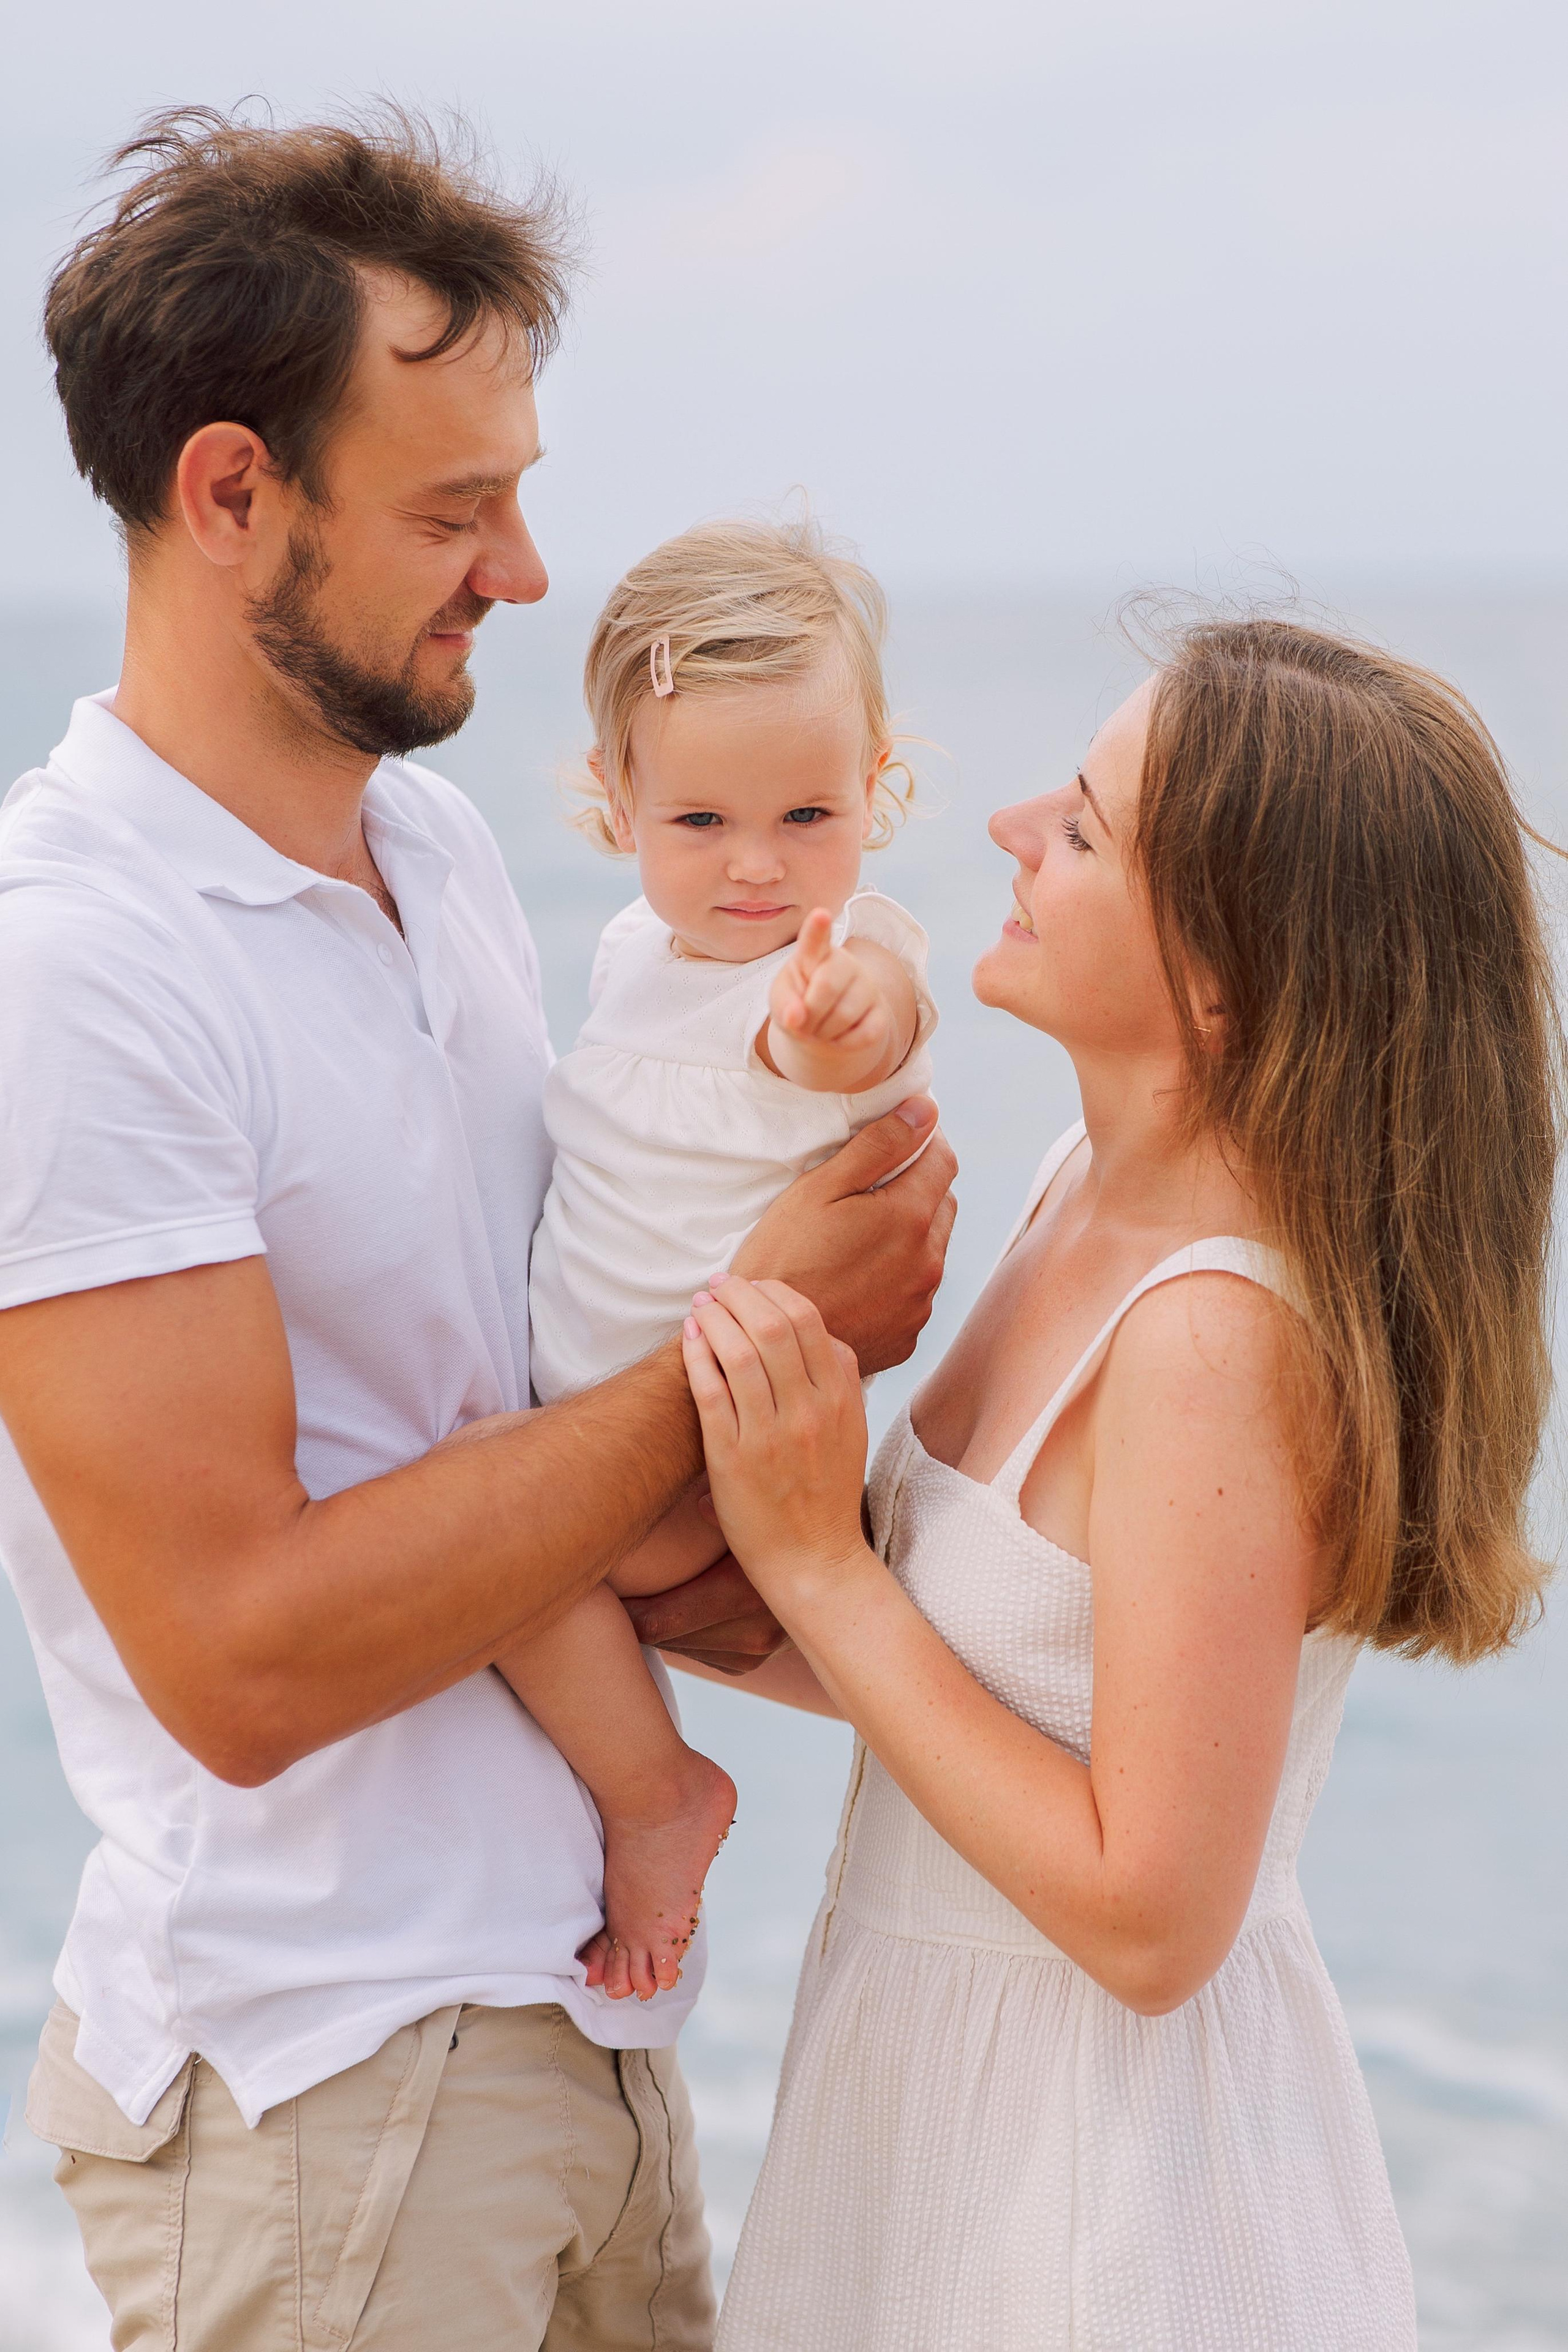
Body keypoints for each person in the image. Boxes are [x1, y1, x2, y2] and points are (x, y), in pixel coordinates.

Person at [0, 108, 955, 2350]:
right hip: (335, 2080)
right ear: (232, 493)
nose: (522, 571)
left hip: (584, 2033)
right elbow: (237, 1659)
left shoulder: (435, 869)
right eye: (454, 508)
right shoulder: (74, 969)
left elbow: (526, 1421)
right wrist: (767, 1329)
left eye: (515, 496)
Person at [658, 620, 1560, 2350]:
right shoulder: (1084, 1177)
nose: (1007, 828)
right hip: (931, 2101)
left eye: (1079, 830)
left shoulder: (1217, 1333)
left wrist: (815, 1563)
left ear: (1221, 977)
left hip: (1101, 2189)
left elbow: (1153, 1917)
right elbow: (976, 1674)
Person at [506, 516, 937, 2005]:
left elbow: (857, 1020)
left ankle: (655, 1802)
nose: (758, 871)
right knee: (494, 1522)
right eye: (701, 824)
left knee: (500, 1546)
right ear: (613, 798)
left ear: (876, 788)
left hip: (706, 1461)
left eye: (808, 815)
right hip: (613, 1423)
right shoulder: (636, 950)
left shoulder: (839, 953)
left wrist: (828, 1021)